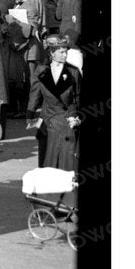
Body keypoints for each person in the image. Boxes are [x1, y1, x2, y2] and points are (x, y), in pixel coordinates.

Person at [26, 37, 82, 170]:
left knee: (66, 159)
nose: (65, 55)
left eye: (66, 52)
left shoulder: (73, 72)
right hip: (48, 118)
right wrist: (30, 113)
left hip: (67, 117)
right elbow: (35, 94)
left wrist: (77, 117)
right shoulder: (41, 70)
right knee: (47, 157)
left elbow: (78, 97)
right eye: (61, 52)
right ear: (52, 53)